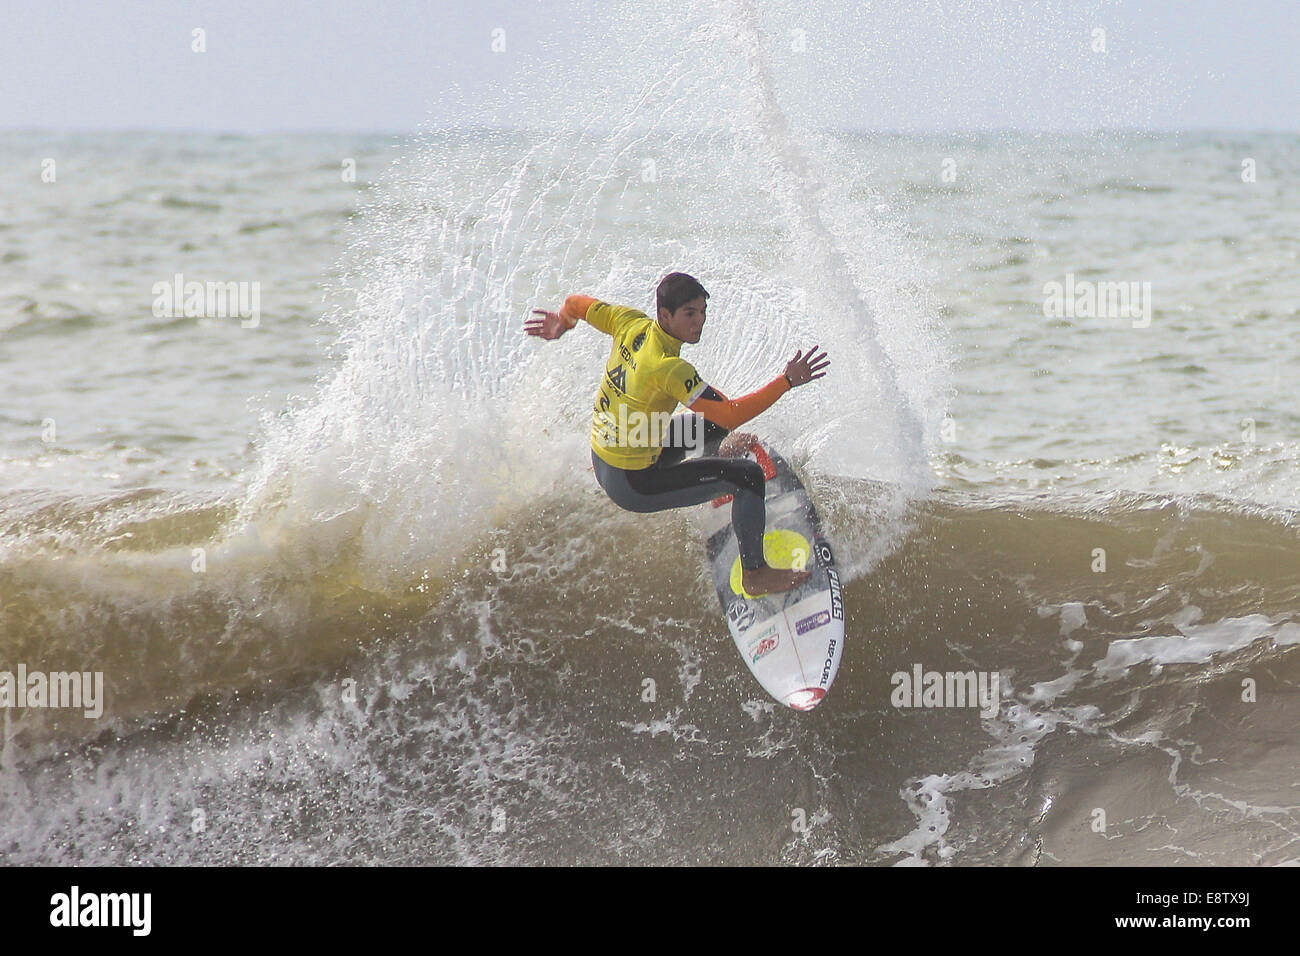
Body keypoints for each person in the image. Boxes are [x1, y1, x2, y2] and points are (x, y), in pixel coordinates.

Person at [526, 272, 829, 595]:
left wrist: (563, 322)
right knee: (749, 476)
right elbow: (732, 413)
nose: (699, 322)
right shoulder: (669, 368)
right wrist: (786, 382)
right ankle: (755, 575)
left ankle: (713, 465)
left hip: (605, 455)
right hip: (633, 483)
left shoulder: (629, 322)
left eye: (702, 313)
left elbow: (575, 304)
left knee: (707, 424)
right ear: (665, 314)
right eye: (689, 314)